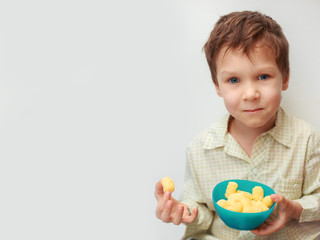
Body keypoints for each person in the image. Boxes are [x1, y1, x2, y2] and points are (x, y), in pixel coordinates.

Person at [154, 11, 320, 239]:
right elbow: (201, 209)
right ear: (218, 86)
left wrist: (294, 209)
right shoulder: (200, 149)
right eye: (234, 80)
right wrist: (183, 210)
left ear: (285, 77)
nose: (250, 94)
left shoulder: (306, 140)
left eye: (263, 76)